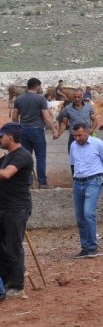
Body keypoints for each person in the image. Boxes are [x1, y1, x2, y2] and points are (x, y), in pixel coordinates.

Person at [0, 123, 33, 298]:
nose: (0, 140)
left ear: (9, 137)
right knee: (2, 246)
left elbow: (6, 174)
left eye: (1, 136)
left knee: (13, 246)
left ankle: (17, 284)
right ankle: (6, 279)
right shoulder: (8, 156)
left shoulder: (22, 156)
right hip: (4, 206)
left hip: (17, 207)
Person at [69, 123, 103, 258]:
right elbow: (73, 164)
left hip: (93, 181)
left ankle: (92, 246)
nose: (76, 138)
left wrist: (98, 176)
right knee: (80, 217)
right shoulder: (73, 146)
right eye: (74, 135)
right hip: (78, 182)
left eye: (79, 135)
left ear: (87, 132)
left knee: (88, 213)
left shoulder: (98, 144)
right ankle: (85, 247)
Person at [12, 77, 54, 188]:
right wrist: (54, 130)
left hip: (23, 130)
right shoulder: (40, 99)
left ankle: (28, 183)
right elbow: (47, 117)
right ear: (37, 86)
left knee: (26, 157)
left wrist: (17, 129)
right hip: (37, 130)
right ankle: (42, 183)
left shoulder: (19, 99)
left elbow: (14, 117)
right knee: (40, 157)